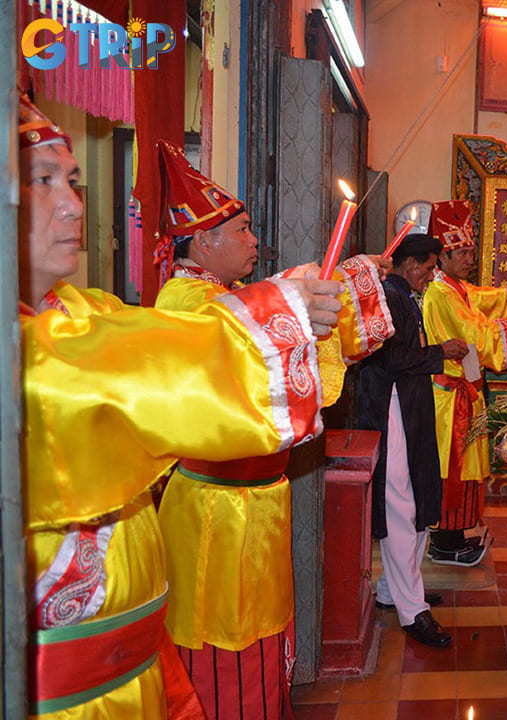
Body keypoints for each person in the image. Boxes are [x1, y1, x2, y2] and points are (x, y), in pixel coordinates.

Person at [18, 94, 343, 719]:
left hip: (136, 656)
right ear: (203, 242)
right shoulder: (43, 349)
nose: (73, 204)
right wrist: (284, 310)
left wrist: (295, 303)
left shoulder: (86, 312)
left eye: (74, 181)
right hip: (69, 689)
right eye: (43, 181)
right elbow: (169, 363)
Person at [151, 141, 394, 718]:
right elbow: (239, 328)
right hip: (215, 511)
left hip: (255, 503)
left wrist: (341, 280)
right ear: (202, 241)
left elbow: (261, 320)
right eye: (240, 230)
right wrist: (307, 287)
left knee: (259, 636)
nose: (253, 240)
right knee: (220, 642)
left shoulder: (222, 295)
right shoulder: (184, 297)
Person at [357, 233, 468, 647]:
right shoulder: (390, 297)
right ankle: (412, 611)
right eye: (428, 266)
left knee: (418, 497)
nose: (431, 274)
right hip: (392, 409)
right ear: (407, 265)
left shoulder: (404, 296)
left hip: (411, 408)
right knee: (401, 504)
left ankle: (396, 589)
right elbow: (392, 357)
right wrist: (442, 352)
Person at [421, 201, 507, 565]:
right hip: (449, 396)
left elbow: (479, 299)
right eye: (462, 251)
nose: (469, 257)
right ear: (442, 256)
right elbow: (474, 331)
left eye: (472, 250)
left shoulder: (454, 288)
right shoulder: (440, 293)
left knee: (462, 468)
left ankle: (454, 535)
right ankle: (446, 541)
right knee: (453, 469)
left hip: (462, 392)